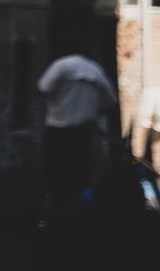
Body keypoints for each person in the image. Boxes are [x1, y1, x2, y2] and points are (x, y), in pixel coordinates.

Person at [37, 50, 119, 214]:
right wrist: (92, 109)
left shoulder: (60, 66)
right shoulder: (94, 69)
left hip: (57, 133)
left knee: (55, 177)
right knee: (80, 176)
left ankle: (54, 212)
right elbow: (110, 101)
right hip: (83, 133)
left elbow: (43, 88)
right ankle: (79, 211)